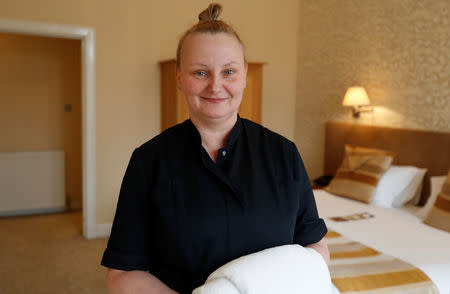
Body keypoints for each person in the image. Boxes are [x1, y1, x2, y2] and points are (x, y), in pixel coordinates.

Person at [101, 3, 329, 294]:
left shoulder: (283, 154)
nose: (215, 86)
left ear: (245, 75)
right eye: (200, 73)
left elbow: (314, 247)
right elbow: (122, 274)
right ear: (179, 78)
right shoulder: (149, 161)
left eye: (229, 72)